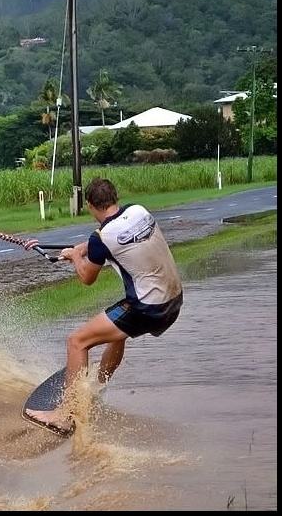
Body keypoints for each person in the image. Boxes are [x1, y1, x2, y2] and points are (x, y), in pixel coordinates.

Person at [23, 178, 183, 432]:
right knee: (117, 334)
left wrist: (76, 256)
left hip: (146, 308)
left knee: (77, 341)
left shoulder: (101, 238)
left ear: (89, 205)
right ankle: (96, 388)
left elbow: (87, 277)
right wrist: (81, 248)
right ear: (115, 197)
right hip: (173, 300)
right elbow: (110, 241)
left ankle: (66, 415)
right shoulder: (138, 211)